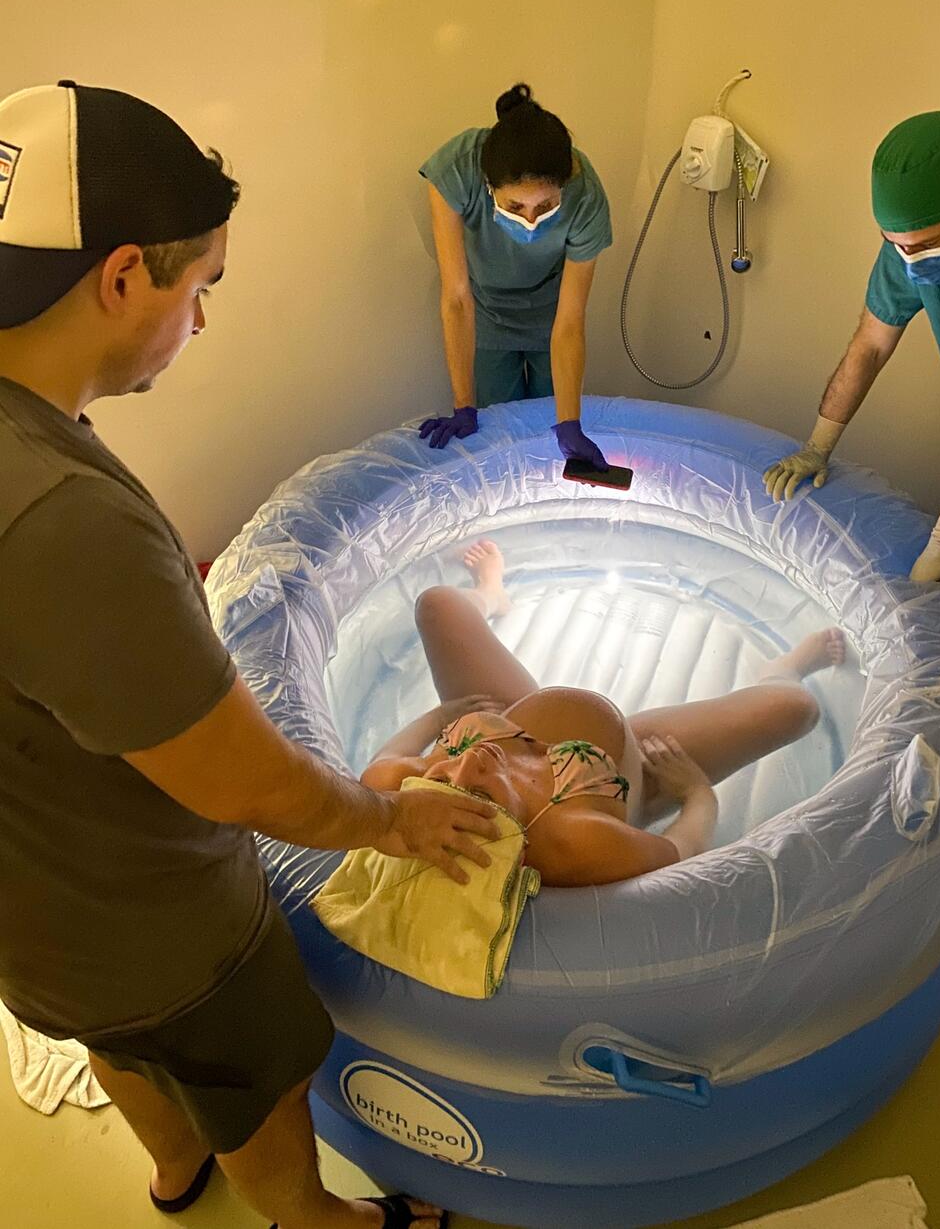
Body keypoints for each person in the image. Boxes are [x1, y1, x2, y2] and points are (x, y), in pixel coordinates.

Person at [0, 81, 501, 1229]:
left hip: (31, 922)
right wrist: (390, 818)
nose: (203, 322)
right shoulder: (62, 521)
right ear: (124, 277)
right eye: (202, 286)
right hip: (159, 927)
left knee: (111, 1043)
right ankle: (309, 1217)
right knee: (246, 1060)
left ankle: (175, 1174)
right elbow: (244, 784)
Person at [361, 542, 846, 884]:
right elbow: (682, 852)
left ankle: (491, 593)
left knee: (437, 604)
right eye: (480, 791)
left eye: (447, 776)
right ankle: (783, 669)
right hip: (636, 764)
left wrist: (439, 717)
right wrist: (694, 791)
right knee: (795, 708)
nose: (474, 758)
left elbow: (384, 763)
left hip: (514, 712)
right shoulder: (577, 840)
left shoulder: (407, 792)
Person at [763, 110, 940, 585]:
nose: (909, 261)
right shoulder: (911, 247)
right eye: (896, 245)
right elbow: (870, 344)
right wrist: (817, 447)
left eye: (925, 244)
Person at [418, 83, 613, 471]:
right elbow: (456, 297)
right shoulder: (456, 169)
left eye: (545, 205)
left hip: (551, 310)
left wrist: (570, 421)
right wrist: (463, 405)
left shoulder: (587, 196)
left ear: (565, 183)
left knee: (550, 420)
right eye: (514, 205)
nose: (530, 219)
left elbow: (571, 322)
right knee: (499, 427)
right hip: (485, 309)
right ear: (489, 186)